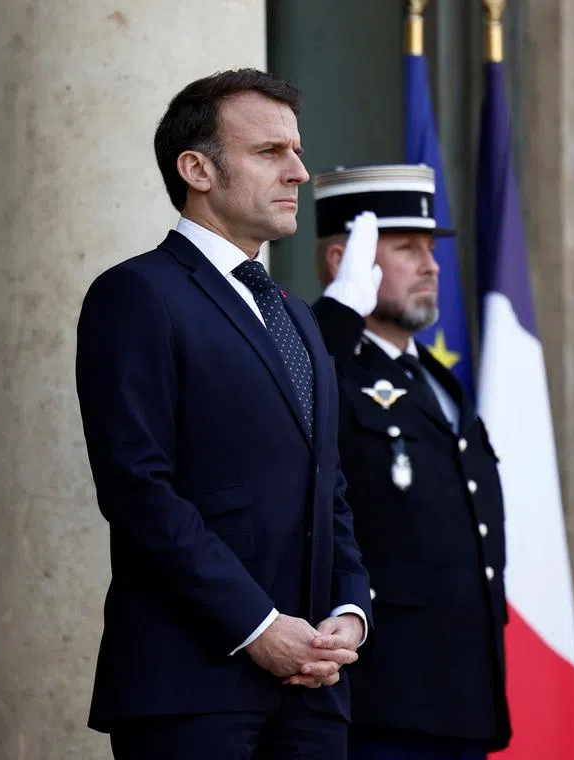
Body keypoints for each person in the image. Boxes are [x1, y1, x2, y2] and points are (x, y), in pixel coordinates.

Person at [75, 69, 373, 760]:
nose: (298, 171)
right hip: (193, 687)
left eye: (295, 151)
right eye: (270, 152)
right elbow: (136, 486)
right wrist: (257, 626)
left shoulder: (296, 316)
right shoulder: (136, 294)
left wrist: (349, 614)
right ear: (197, 168)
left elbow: (327, 487)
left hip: (314, 691)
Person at [310, 164, 512, 759]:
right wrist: (339, 310)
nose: (431, 265)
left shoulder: (434, 380)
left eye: (431, 248)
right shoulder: (330, 367)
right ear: (344, 260)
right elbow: (290, 394)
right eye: (405, 249)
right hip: (380, 699)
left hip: (461, 697)